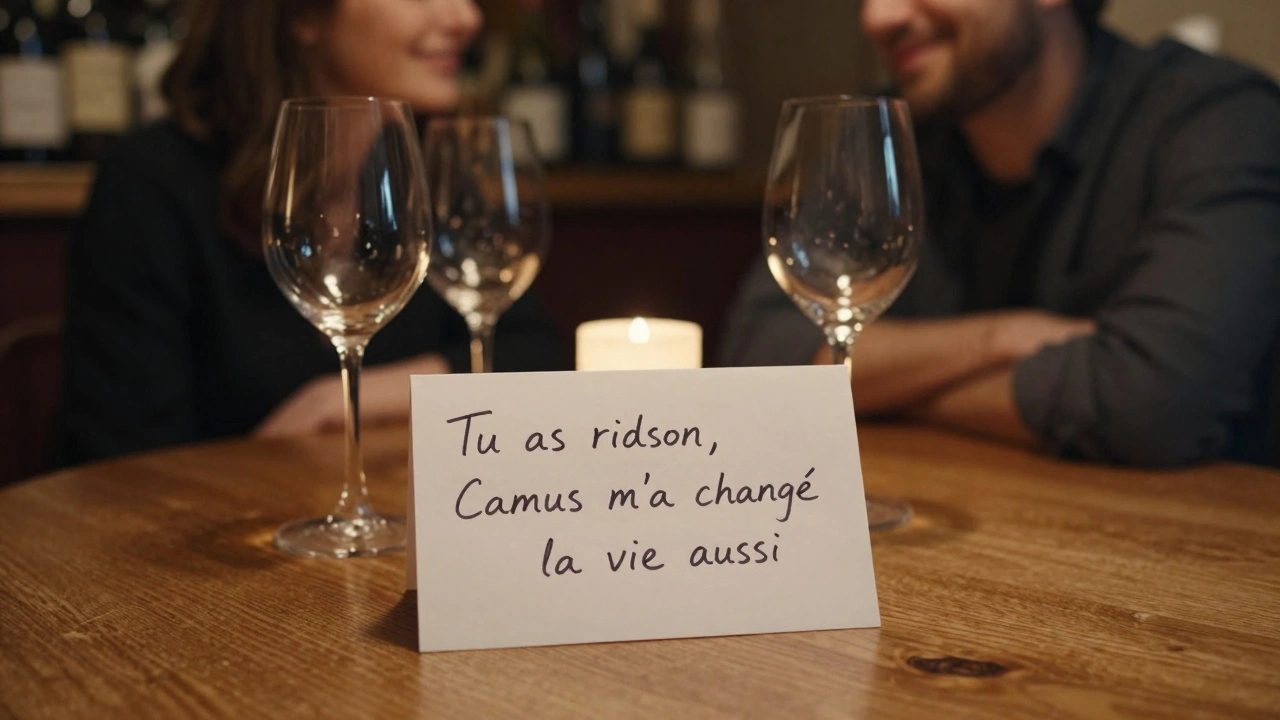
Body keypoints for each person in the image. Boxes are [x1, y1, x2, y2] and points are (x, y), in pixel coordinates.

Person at [721, 0, 1280, 467]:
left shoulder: (1221, 119)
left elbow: (1151, 403)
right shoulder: (885, 134)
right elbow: (758, 354)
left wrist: (883, 388)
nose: (877, 16)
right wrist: (1006, 338)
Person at [56, 0, 564, 465]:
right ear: (304, 16)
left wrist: (342, 401)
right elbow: (123, 453)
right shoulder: (153, 181)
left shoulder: (427, 166)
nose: (465, 17)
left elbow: (530, 351)